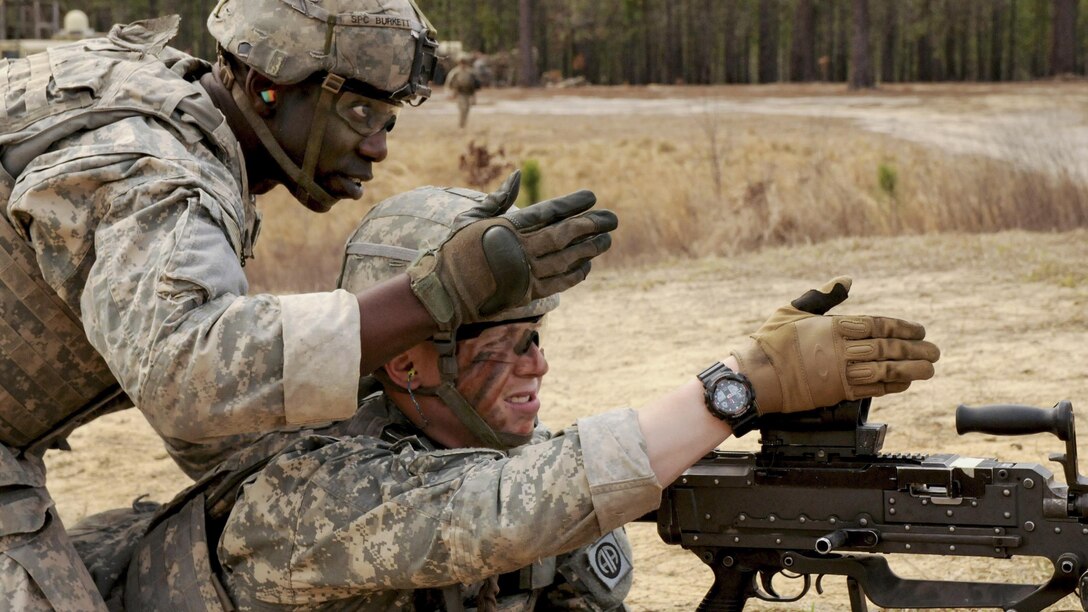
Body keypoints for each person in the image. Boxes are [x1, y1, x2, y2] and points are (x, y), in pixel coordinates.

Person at [0, 0, 617, 608]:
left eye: (388, 120)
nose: (377, 148)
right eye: (357, 111)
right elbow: (184, 376)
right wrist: (436, 295)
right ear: (267, 87)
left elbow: (215, 428)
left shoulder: (172, 121)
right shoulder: (149, 171)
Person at [95, 185, 939, 610]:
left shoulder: (492, 460)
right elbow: (501, 510)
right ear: (408, 365)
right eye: (498, 347)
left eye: (535, 338)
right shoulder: (309, 488)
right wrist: (741, 386)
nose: (534, 366)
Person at [446, 55, 481, 128]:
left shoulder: (470, 72)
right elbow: (449, 83)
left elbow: (474, 84)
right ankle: (461, 124)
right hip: (460, 92)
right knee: (462, 108)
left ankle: (463, 123)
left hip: (468, 92)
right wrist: (451, 93)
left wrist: (474, 96)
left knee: (467, 108)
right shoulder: (455, 72)